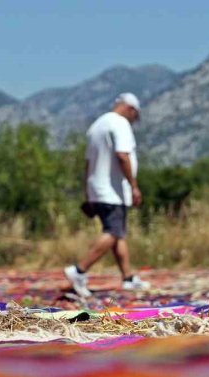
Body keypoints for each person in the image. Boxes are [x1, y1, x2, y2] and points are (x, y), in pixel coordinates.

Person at [64, 93, 150, 298]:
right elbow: (122, 155)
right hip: (112, 190)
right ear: (131, 109)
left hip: (97, 188)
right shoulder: (120, 124)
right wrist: (134, 186)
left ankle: (128, 278)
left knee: (118, 232)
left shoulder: (97, 125)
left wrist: (88, 192)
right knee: (112, 232)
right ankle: (79, 270)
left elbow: (87, 164)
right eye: (135, 116)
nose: (133, 120)